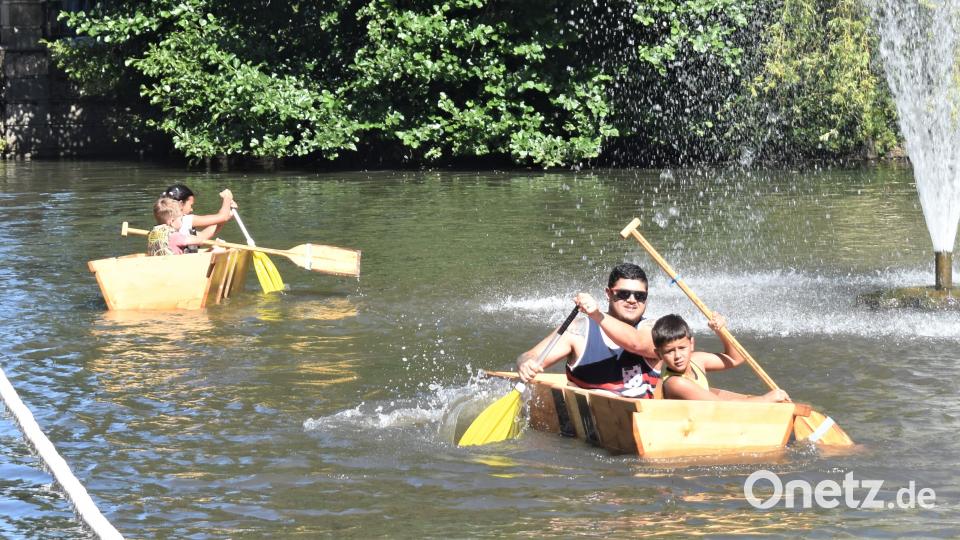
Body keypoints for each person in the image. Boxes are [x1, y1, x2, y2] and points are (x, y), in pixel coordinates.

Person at [516, 263, 661, 398]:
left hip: (640, 419)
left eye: (640, 296)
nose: (632, 300)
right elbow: (531, 355)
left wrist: (597, 315)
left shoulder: (655, 329)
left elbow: (636, 343)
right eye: (624, 294)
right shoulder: (579, 331)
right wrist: (526, 364)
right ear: (608, 294)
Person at [652, 313, 791, 402]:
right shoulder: (676, 383)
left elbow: (736, 358)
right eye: (669, 351)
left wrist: (721, 331)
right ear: (659, 354)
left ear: (692, 344)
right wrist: (765, 399)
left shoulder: (697, 360)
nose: (677, 356)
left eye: (682, 348)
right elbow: (722, 407)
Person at [161, 184, 236, 253]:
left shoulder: (164, 220)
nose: (191, 209)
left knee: (216, 248)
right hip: (184, 263)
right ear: (181, 204)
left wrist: (228, 214)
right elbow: (223, 217)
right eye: (191, 205)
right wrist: (227, 198)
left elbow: (203, 235)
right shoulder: (186, 219)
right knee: (221, 250)